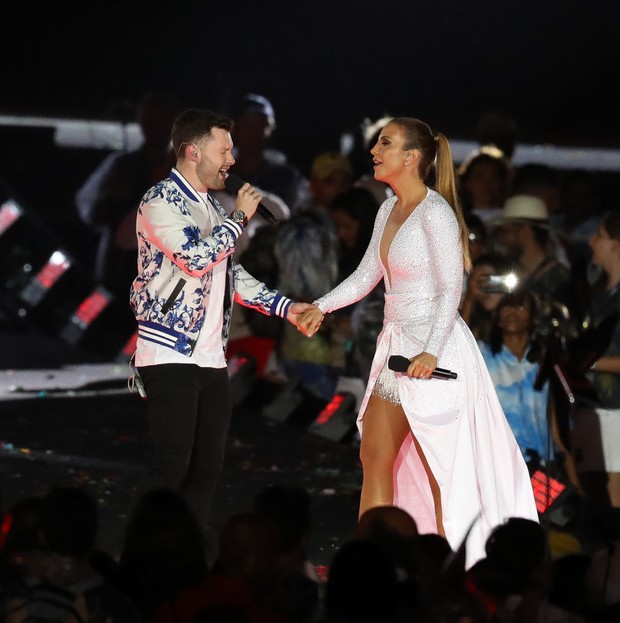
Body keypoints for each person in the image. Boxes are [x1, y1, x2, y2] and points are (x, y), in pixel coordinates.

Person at [299, 117, 538, 568]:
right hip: (395, 348)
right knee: (375, 455)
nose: (375, 150)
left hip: (436, 350)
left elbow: (452, 288)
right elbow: (368, 274)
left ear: (411, 157)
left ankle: (447, 566)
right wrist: (321, 306)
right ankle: (369, 562)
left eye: (385, 143)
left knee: (438, 465)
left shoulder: (436, 212)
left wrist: (430, 349)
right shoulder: (387, 209)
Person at [128, 108, 315, 532]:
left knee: (206, 472)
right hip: (168, 352)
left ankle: (189, 557)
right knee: (170, 468)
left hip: (211, 358)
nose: (233, 158)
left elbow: (229, 272)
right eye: (224, 149)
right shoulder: (159, 202)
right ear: (193, 152)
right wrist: (239, 219)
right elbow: (195, 260)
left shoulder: (211, 206)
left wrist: (286, 308)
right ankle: (143, 556)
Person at [75, 91, 178, 302]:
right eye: (149, 118)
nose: (155, 125)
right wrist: (110, 196)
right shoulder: (119, 165)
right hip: (119, 272)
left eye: (161, 118)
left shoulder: (186, 170)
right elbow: (89, 210)